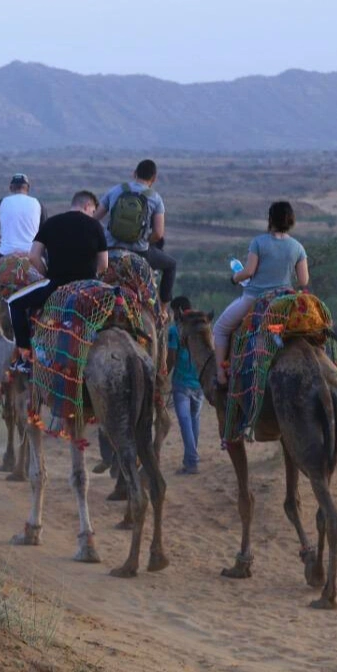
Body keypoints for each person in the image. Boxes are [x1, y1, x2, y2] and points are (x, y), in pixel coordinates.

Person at [6, 191, 110, 373]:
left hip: (57, 285)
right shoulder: (95, 226)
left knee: (14, 303)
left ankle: (25, 355)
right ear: (87, 206)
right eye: (93, 211)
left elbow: (33, 256)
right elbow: (104, 265)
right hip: (88, 287)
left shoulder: (51, 223)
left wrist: (46, 275)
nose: (93, 214)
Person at [213, 201, 309, 388]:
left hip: (254, 299)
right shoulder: (297, 247)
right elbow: (304, 280)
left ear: (270, 219)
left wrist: (235, 278)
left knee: (220, 329)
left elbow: (249, 271)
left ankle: (221, 374)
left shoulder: (258, 242)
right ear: (291, 221)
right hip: (283, 302)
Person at [95, 159, 177, 306]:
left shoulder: (115, 190)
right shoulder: (155, 198)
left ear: (134, 173)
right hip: (140, 252)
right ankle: (164, 309)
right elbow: (158, 233)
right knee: (171, 265)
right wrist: (144, 240)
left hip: (109, 249)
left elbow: (94, 218)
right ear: (154, 178)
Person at [0, 173, 46, 296]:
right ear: (28, 188)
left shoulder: (2, 202)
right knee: (50, 276)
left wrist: (1, 246)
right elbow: (44, 235)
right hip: (32, 254)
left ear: (10, 188)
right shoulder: (38, 203)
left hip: (6, 252)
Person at [168, 296, 204, 475]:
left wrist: (162, 376)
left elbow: (171, 358)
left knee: (185, 422)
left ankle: (192, 460)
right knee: (193, 421)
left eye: (173, 311)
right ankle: (190, 460)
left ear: (178, 311)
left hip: (181, 382)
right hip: (199, 382)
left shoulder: (175, 330)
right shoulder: (201, 327)